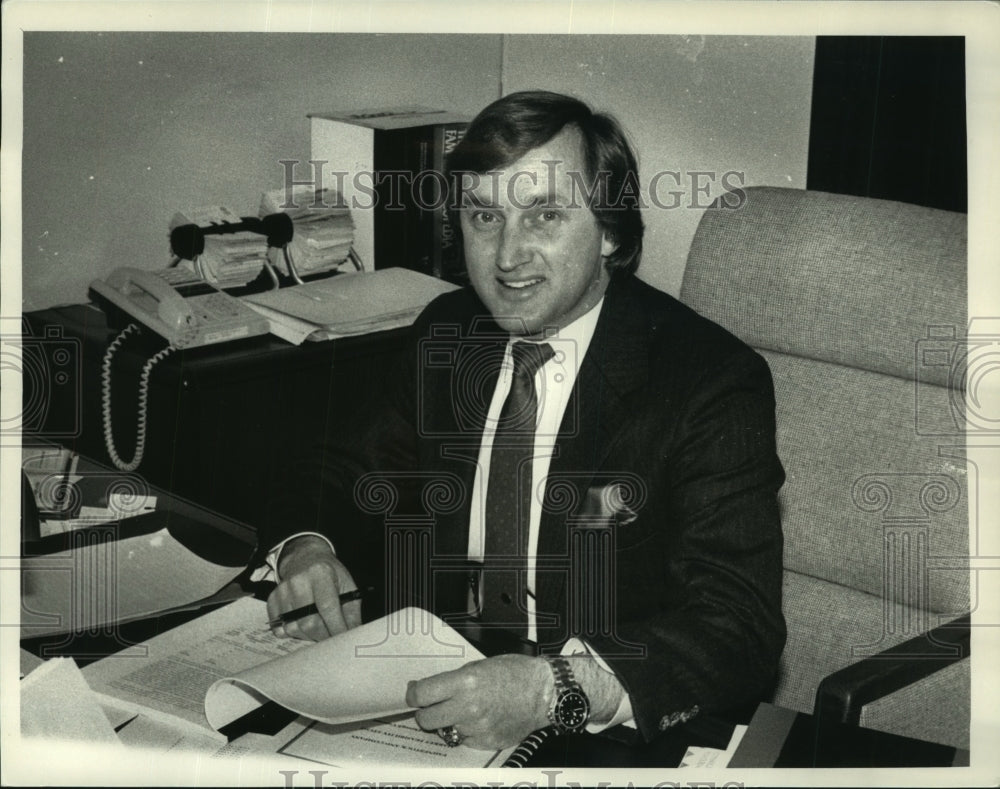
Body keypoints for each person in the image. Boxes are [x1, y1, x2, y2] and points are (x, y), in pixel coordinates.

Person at [259, 90, 786, 751]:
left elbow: (737, 626)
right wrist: (308, 548)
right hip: (427, 691)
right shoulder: (448, 332)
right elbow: (338, 468)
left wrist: (553, 689)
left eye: (545, 215)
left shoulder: (707, 380)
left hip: (598, 718)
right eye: (485, 217)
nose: (507, 256)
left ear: (610, 231)